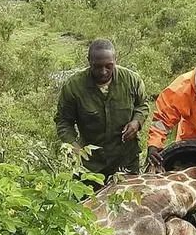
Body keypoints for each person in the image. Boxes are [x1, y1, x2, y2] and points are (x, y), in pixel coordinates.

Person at [55, 39, 149, 178]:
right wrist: (74, 146)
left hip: (126, 160)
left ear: (115, 60)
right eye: (97, 66)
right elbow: (63, 121)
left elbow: (142, 105)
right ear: (89, 61)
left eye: (109, 66)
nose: (103, 71)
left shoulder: (132, 80)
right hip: (90, 164)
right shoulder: (73, 86)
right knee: (88, 199)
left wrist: (137, 122)